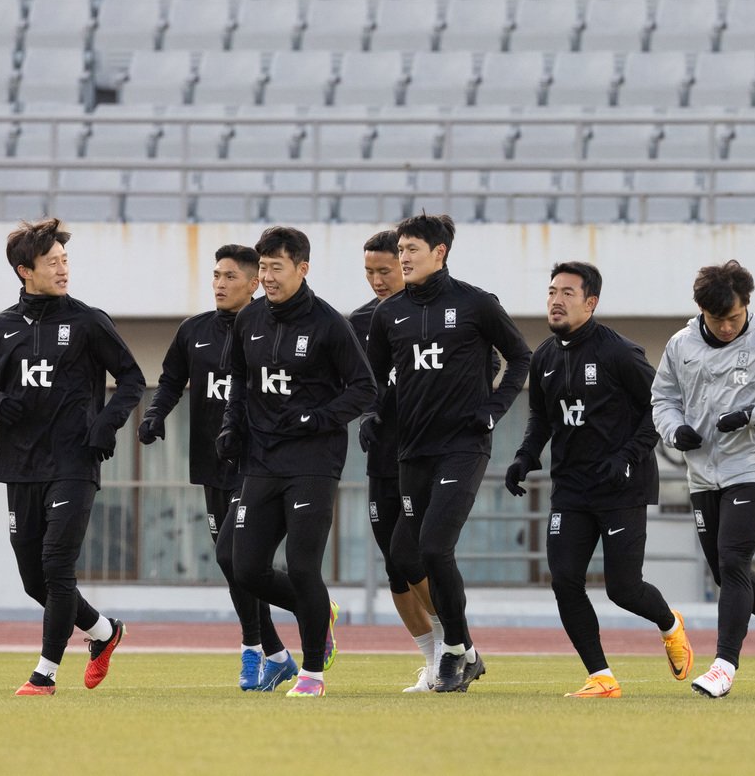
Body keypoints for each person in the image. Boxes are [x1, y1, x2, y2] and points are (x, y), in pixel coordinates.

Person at [0, 217, 144, 696]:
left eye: (66, 260)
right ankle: (105, 632)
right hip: (19, 465)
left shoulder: (88, 320)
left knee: (56, 567)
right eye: (53, 262)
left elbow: (131, 379)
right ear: (26, 270)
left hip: (74, 463)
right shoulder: (1, 327)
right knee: (33, 579)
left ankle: (44, 673)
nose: (63, 268)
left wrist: (105, 425)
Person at [505, 261, 695, 698]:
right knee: (564, 578)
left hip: (621, 486)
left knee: (623, 589)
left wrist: (628, 456)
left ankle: (670, 623)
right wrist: (524, 456)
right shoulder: (546, 358)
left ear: (590, 303)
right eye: (552, 291)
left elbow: (660, 406)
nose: (556, 299)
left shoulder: (618, 352)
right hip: (571, 489)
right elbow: (540, 417)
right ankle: (601, 676)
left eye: (567, 293)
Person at [365, 213, 532, 693]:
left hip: (462, 446)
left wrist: (493, 409)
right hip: (411, 451)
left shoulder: (475, 303)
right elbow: (377, 380)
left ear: (439, 253)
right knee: (402, 552)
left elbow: (521, 357)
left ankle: (455, 652)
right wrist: (375, 415)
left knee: (435, 546)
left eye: (411, 249)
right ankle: (465, 651)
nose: (403, 258)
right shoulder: (388, 314)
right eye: (401, 250)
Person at [219, 226, 376, 698]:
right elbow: (238, 383)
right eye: (262, 267)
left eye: (276, 267)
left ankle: (311, 673)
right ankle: (317, 610)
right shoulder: (248, 322)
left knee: (302, 566)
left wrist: (318, 417)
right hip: (262, 462)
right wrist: (231, 426)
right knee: (242, 566)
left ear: (302, 268)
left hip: (313, 462)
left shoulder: (329, 324)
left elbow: (364, 390)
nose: (266, 276)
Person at [137, 244, 296, 692]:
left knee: (240, 559)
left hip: (256, 464)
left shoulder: (271, 327)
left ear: (253, 283)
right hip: (212, 465)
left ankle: (294, 621)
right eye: (216, 275)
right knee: (232, 566)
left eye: (230, 276)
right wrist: (153, 416)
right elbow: (171, 381)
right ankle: (273, 653)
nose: (220, 284)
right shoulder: (195, 331)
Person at [650, 260, 755, 699]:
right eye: (717, 319)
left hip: (753, 467)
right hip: (702, 472)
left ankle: (724, 665)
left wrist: (752, 415)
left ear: (747, 306)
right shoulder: (680, 345)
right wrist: (673, 428)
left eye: (734, 317)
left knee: (733, 559)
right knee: (725, 570)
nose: (726, 327)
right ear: (701, 310)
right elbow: (662, 397)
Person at [351, 229, 445, 694]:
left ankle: (455, 643)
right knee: (394, 562)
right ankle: (433, 659)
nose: (377, 280)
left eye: (384, 270)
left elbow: (480, 368)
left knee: (420, 555)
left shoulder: (441, 312)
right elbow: (354, 383)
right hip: (382, 455)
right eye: (369, 272)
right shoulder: (360, 322)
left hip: (429, 452)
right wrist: (365, 414)